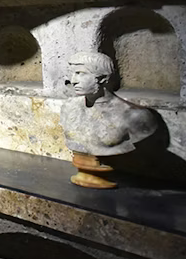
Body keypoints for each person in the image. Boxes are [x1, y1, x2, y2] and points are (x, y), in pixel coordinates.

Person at [61, 52, 159, 188]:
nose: (73, 80)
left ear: (102, 78)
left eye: (80, 73)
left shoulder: (134, 115)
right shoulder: (69, 107)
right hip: (82, 170)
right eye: (72, 74)